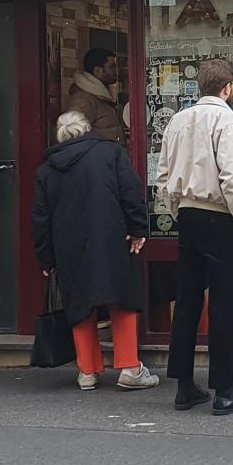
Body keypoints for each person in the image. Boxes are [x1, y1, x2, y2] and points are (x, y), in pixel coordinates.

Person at [156, 57, 233, 415]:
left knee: (187, 302)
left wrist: (177, 210)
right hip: (220, 217)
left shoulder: (178, 120)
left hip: (187, 215)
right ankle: (225, 390)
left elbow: (164, 175)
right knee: (223, 305)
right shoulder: (227, 120)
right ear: (228, 87)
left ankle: (184, 386)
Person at [32, 111, 158, 391]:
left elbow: (40, 215)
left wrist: (46, 256)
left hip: (68, 244)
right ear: (87, 129)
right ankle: (130, 368)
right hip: (111, 235)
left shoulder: (47, 168)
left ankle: (87, 371)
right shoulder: (110, 153)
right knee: (121, 298)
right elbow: (130, 191)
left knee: (79, 303)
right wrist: (138, 229)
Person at [67, 48, 127, 143]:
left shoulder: (102, 96)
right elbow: (73, 138)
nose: (117, 72)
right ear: (97, 70)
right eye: (112, 67)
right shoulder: (83, 99)